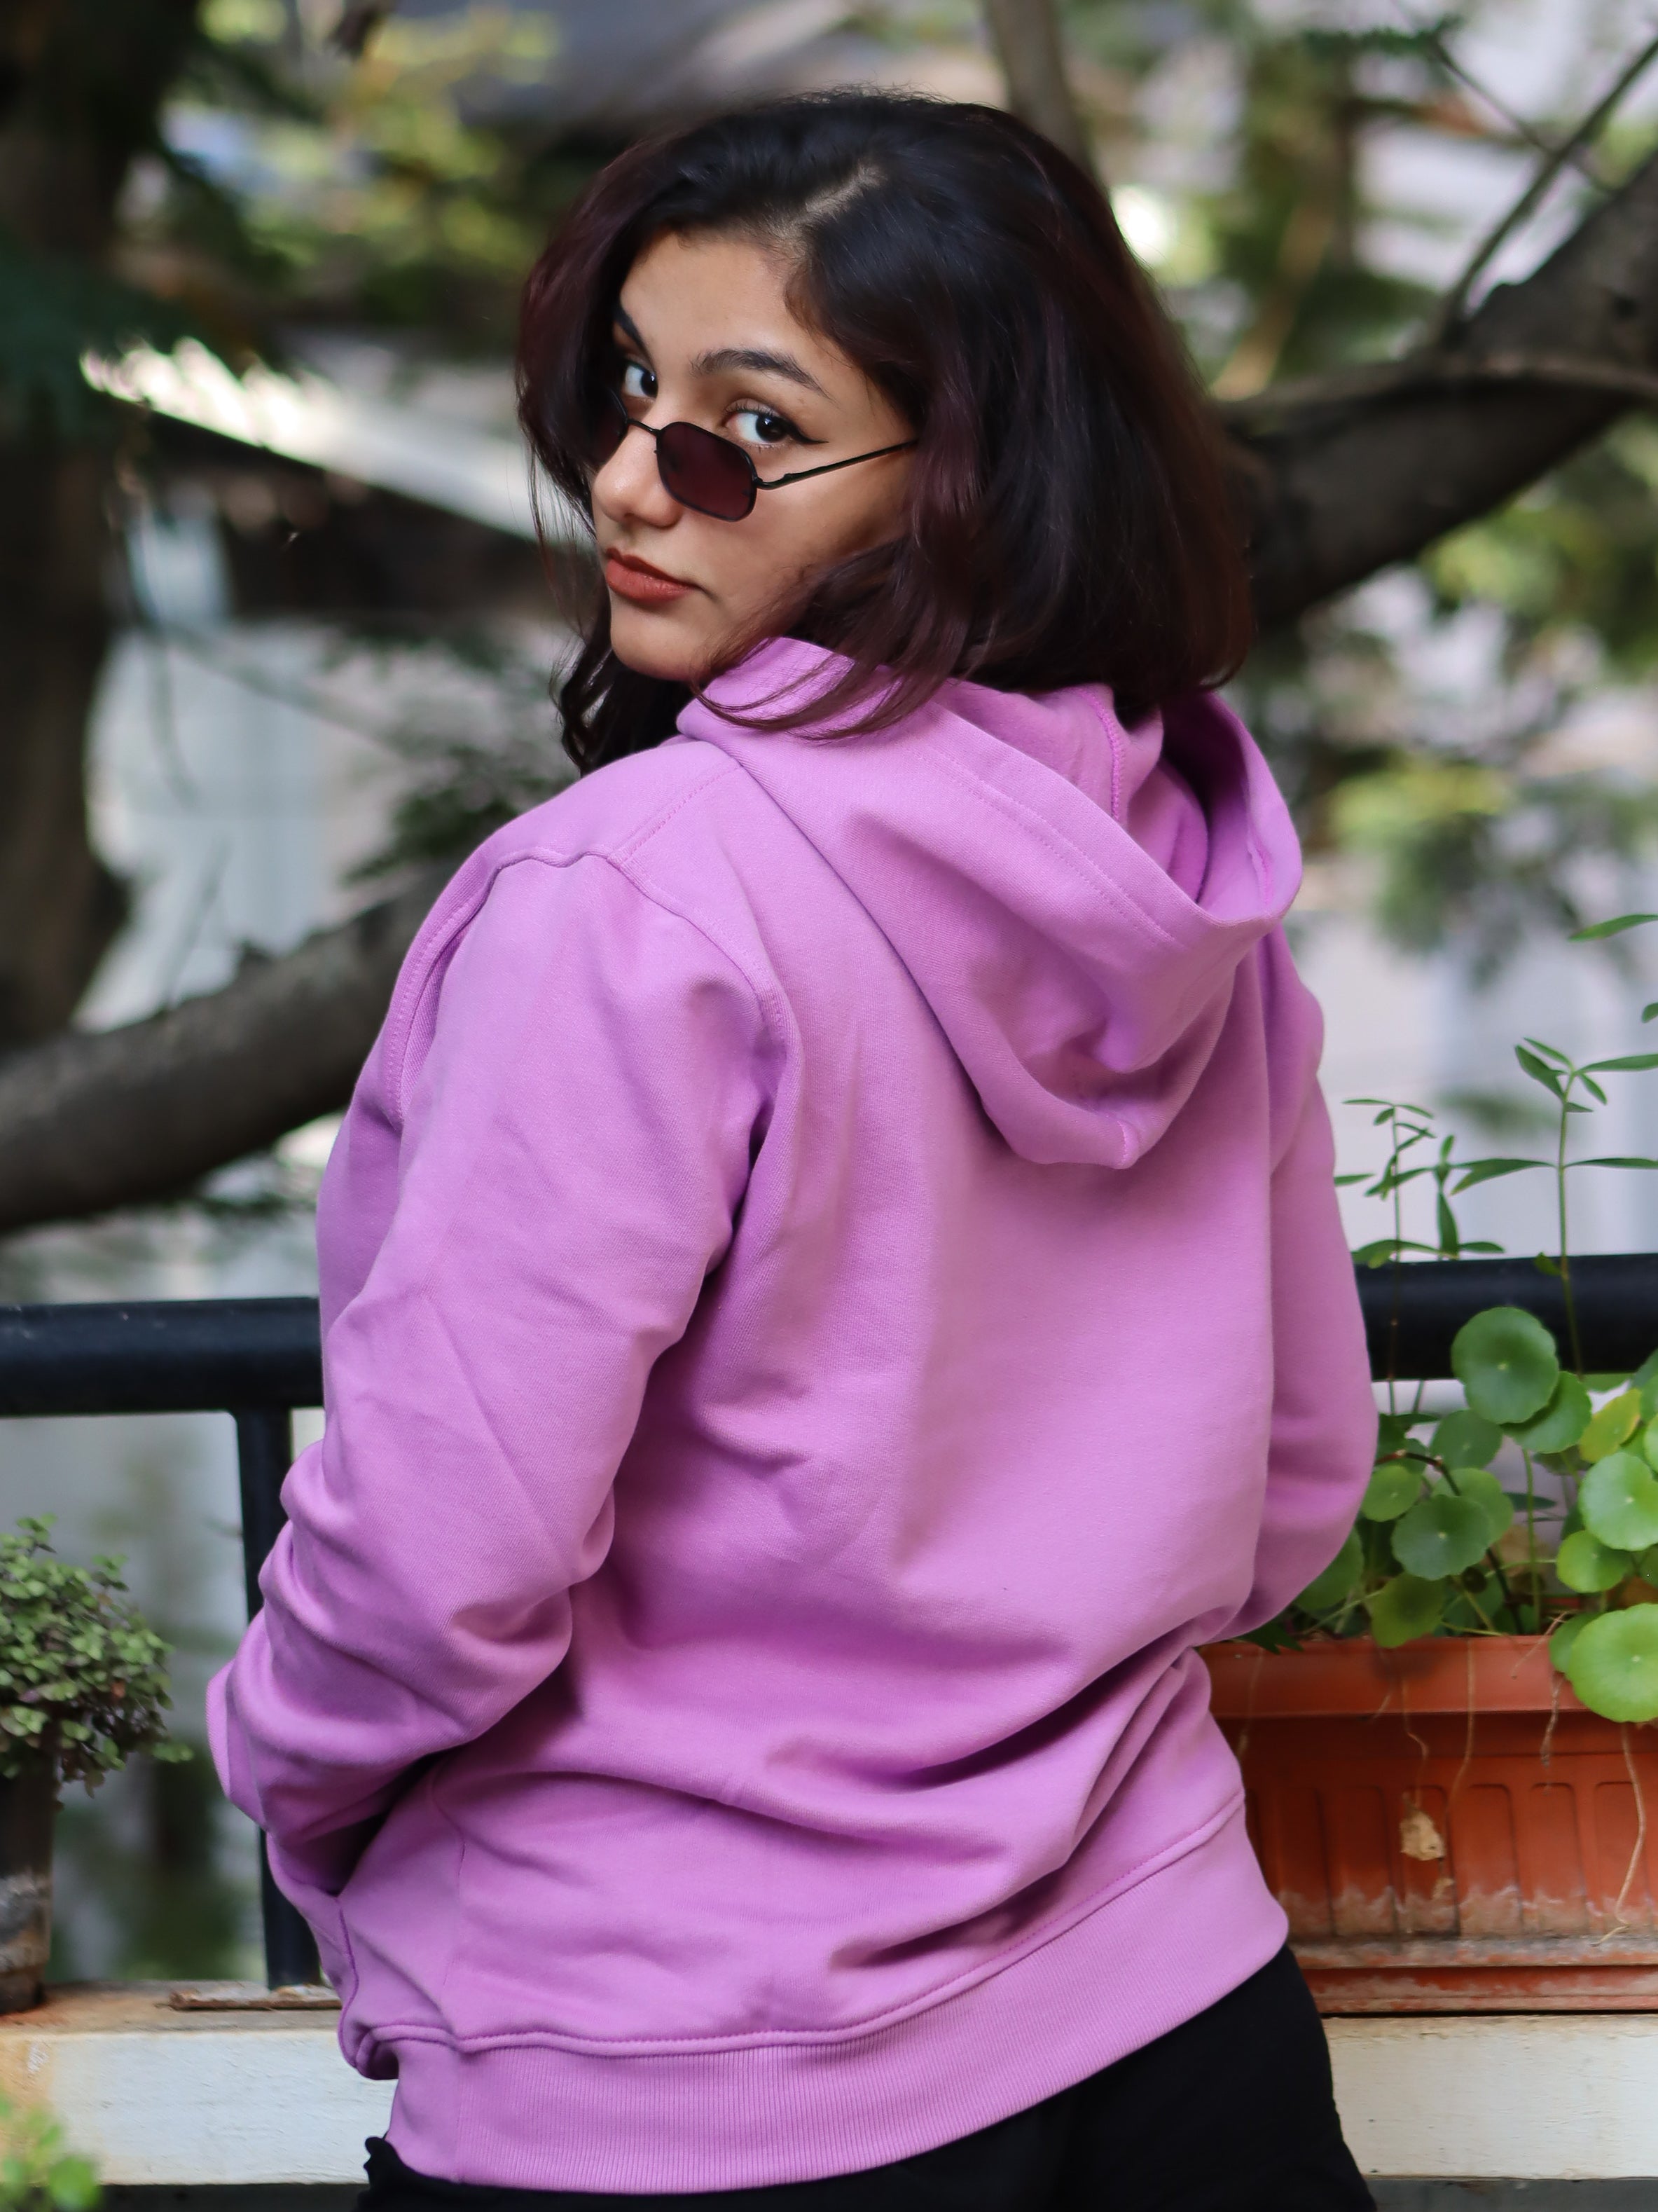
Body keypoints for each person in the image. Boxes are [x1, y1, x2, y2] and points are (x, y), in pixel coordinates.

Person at [209, 91, 1379, 2212]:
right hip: (1175, 2015)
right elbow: (1295, 1477)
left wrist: (271, 1754)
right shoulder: (1183, 867)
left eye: (743, 427)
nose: (632, 480)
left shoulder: (636, 894)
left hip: (679, 2069)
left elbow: (435, 1560)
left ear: (971, 475)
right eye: (631, 390)